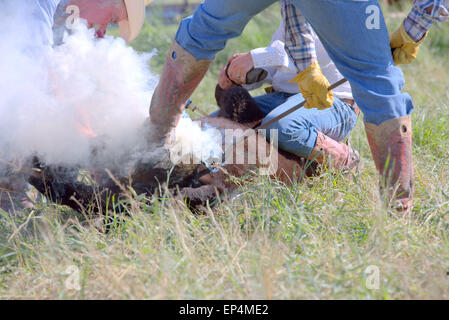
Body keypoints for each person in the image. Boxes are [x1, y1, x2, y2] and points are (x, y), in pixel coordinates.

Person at [148, 0, 448, 213]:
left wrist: (414, 29)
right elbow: (292, 29)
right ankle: (160, 148)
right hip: (285, 94)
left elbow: (285, 53)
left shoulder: (336, 21)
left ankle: (359, 172)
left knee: (284, 123)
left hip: (333, 103)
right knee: (211, 125)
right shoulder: (300, 16)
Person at [0, 0, 148, 213]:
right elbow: (31, 73)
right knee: (23, 106)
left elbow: (89, 83)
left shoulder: (74, 16)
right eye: (113, 18)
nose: (105, 29)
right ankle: (9, 191)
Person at [216, 0, 360, 172]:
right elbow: (277, 68)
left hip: (333, 102)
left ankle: (344, 159)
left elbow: (302, 55)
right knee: (216, 125)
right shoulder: (294, 10)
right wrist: (240, 75)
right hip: (283, 97)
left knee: (284, 126)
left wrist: (254, 58)